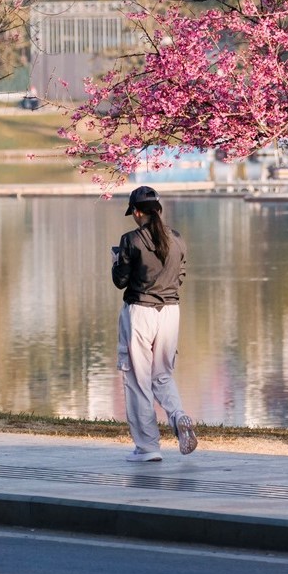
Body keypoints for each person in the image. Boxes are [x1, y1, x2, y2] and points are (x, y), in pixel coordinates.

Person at [111, 184, 198, 462]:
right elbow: (180, 275)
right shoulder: (178, 239)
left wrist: (116, 261)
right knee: (162, 374)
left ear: (137, 212)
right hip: (171, 312)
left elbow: (120, 281)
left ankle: (147, 447)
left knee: (138, 378)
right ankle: (178, 415)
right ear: (158, 210)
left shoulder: (131, 240)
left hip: (140, 311)